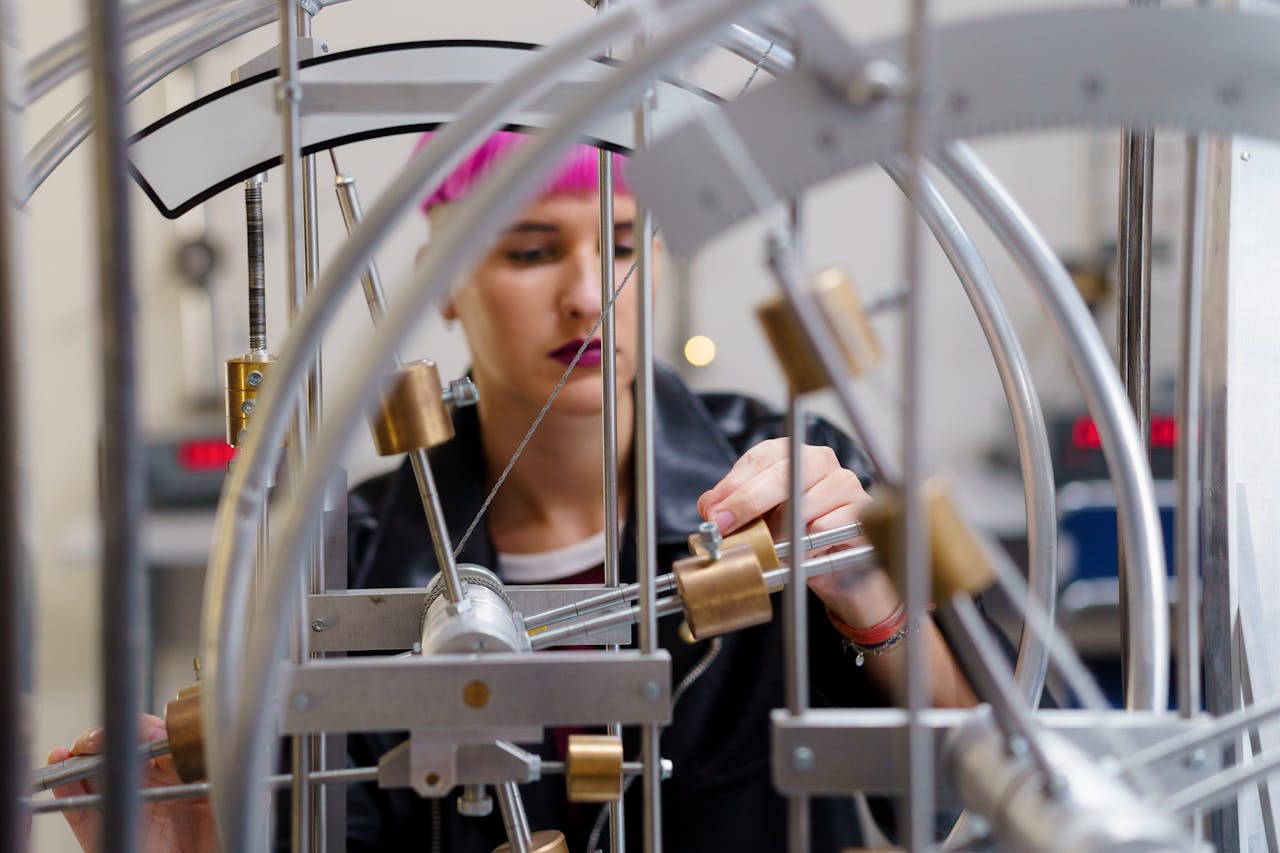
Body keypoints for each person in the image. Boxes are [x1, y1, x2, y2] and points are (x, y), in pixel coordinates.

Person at [47, 131, 975, 852]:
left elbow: (970, 791)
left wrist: (876, 605)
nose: (587, 295)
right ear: (444, 283)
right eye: (531, 250)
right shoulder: (351, 557)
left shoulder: (799, 485)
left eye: (621, 243)